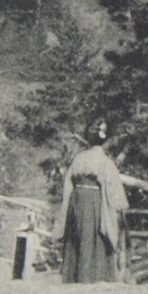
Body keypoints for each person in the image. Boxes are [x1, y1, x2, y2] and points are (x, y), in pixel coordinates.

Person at [57, 118, 129, 284]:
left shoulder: (79, 159)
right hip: (94, 200)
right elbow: (114, 189)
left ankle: (74, 277)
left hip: (77, 200)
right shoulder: (105, 161)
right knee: (94, 237)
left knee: (79, 237)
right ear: (104, 140)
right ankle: (92, 277)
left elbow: (68, 183)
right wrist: (119, 206)